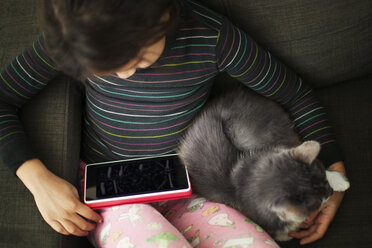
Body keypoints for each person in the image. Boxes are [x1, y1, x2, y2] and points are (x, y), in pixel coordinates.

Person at [0, 0, 347, 247]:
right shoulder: (69, 37)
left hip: (189, 189)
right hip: (108, 194)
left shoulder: (212, 37)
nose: (125, 73)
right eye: (106, 69)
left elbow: (296, 95)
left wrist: (331, 167)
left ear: (164, 13)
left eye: (137, 57)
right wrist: (37, 179)